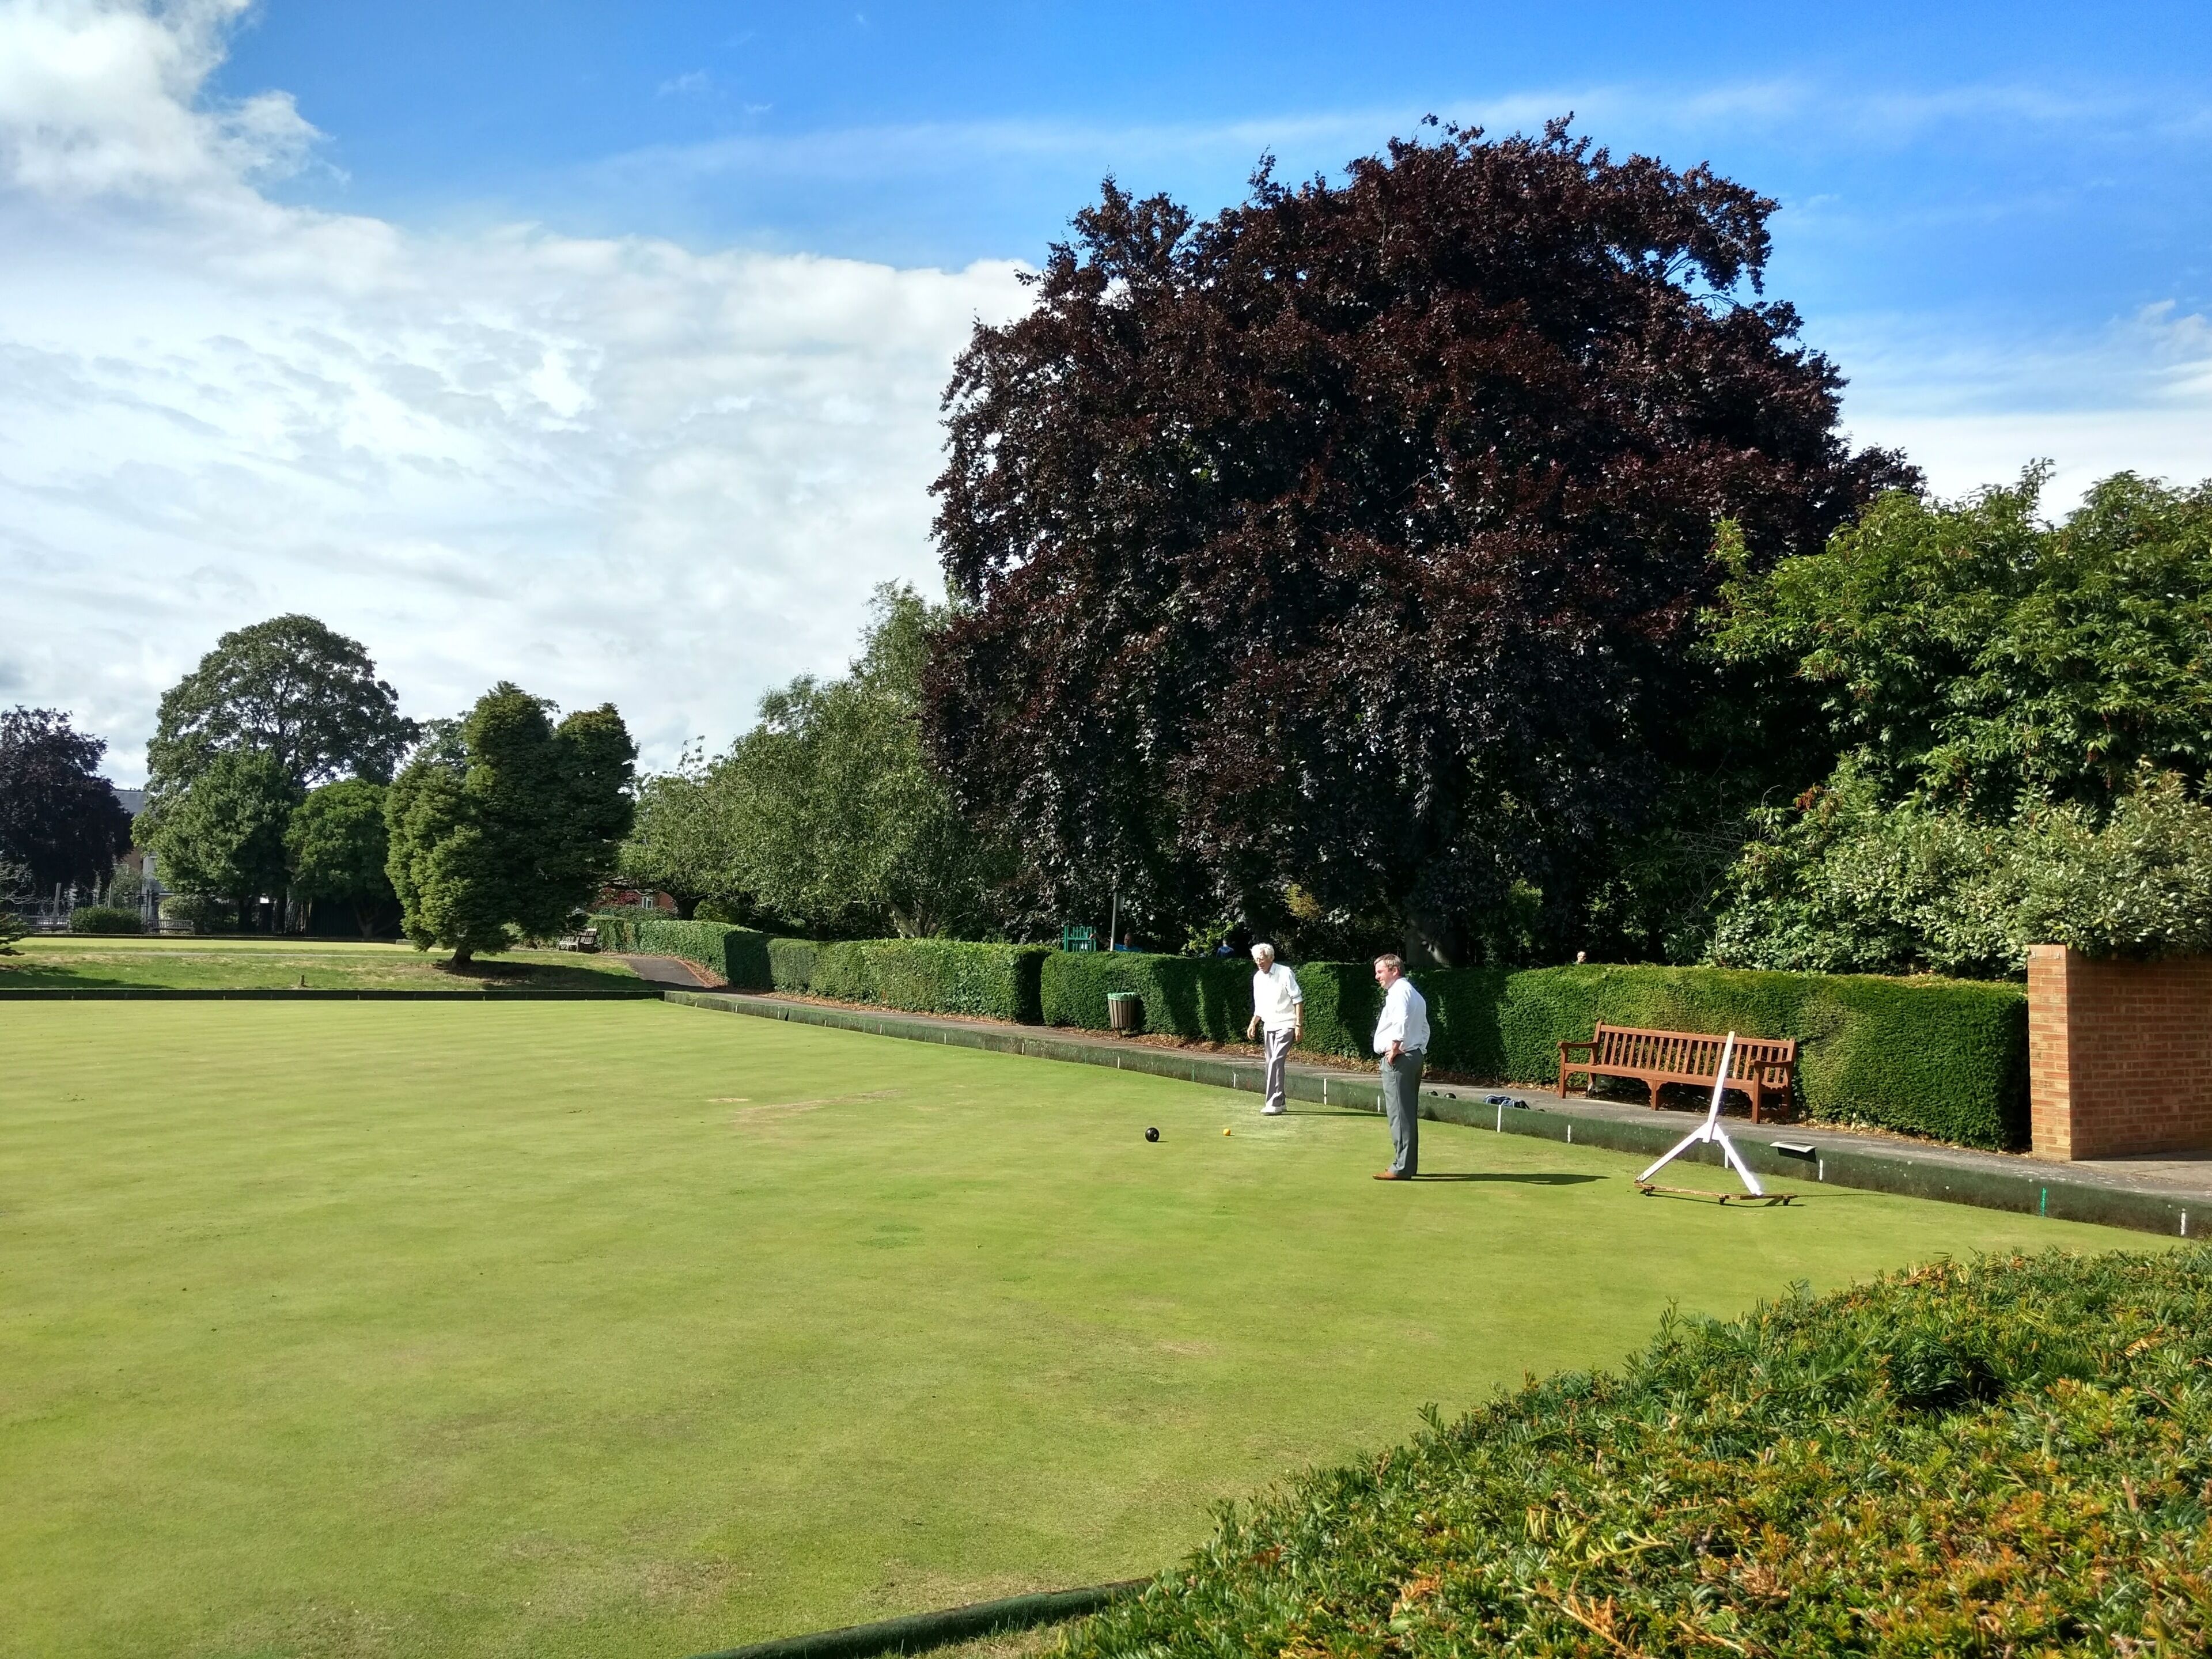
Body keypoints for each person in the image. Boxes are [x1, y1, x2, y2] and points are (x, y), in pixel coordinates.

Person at [1370, 953, 1430, 1180]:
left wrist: (1395, 1046)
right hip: (1412, 1056)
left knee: (1399, 1115)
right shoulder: (1414, 994)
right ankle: (1406, 1165)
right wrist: (1419, 1050)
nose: (1377, 977)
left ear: (1395, 971)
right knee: (1405, 1114)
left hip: (1400, 1059)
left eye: (1380, 972)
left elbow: (1402, 1019)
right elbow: (1425, 1029)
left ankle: (1401, 1168)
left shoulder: (1400, 993)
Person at [1244, 942, 1304, 1116]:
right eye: (1256, 960)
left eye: (1261, 959)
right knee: (1270, 1062)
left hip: (1287, 1024)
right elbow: (1260, 1005)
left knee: (1276, 1060)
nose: (1259, 963)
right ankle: (1282, 1100)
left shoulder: (1285, 973)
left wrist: (1299, 1025)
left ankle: (1274, 1103)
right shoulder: (1258, 977)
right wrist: (1253, 1023)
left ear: (1271, 958)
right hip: (1269, 1025)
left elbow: (1297, 1000)